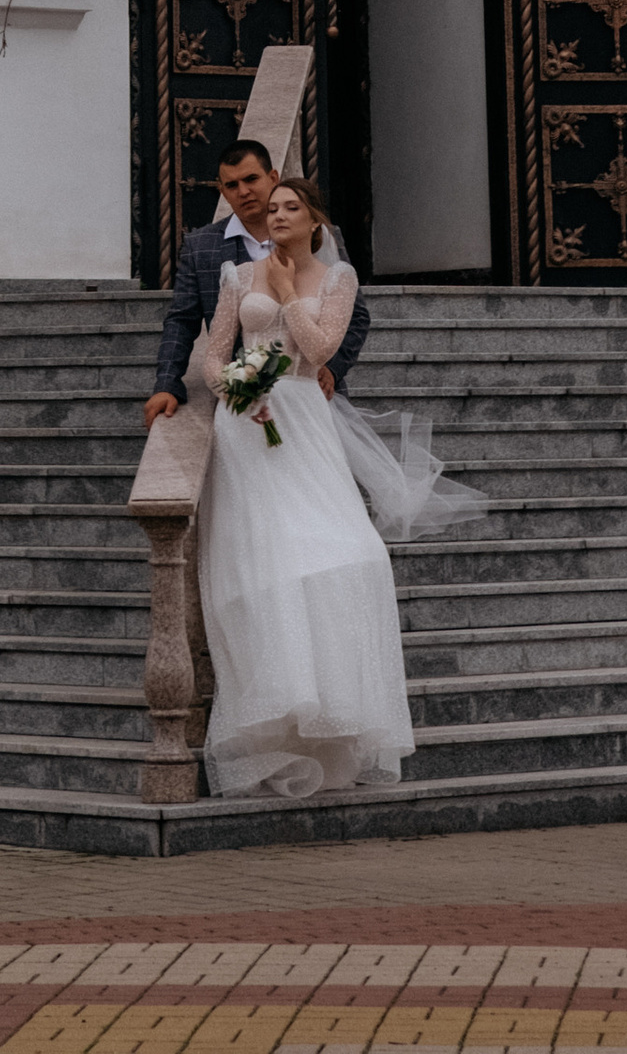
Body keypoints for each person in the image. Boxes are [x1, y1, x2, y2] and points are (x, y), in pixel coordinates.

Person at [188, 175, 414, 801]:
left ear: (316, 220)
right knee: (264, 560)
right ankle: (272, 714)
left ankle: (331, 709)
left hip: (305, 421)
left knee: (353, 555)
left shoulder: (338, 282)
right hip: (248, 424)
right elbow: (213, 353)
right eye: (275, 207)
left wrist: (288, 294)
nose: (278, 214)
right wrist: (238, 386)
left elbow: (320, 351)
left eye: (292, 208)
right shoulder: (237, 278)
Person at [143, 137, 368, 426]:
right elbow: (181, 320)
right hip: (243, 404)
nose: (244, 191)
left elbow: (357, 316)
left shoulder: (325, 237)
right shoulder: (201, 246)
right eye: (232, 185)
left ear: (273, 177)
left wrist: (334, 369)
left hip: (312, 396)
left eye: (251, 179)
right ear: (222, 190)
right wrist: (166, 383)